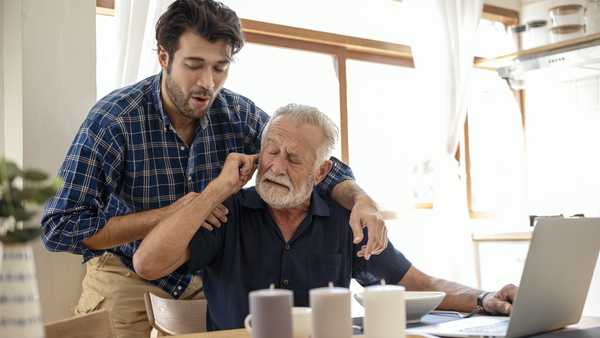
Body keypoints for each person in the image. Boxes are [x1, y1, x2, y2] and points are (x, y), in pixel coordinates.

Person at [40, 1, 388, 337]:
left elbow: (309, 164)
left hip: (201, 278)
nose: (208, 82)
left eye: (219, 67)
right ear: (164, 57)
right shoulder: (114, 120)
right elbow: (61, 225)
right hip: (125, 276)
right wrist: (173, 213)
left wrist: (362, 200)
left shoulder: (238, 114)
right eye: (194, 64)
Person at [133, 103, 519, 331]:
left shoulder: (342, 221)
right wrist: (218, 188)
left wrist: (484, 297)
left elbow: (415, 283)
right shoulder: (227, 213)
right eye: (270, 152)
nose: (276, 167)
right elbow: (147, 264)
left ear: (320, 173)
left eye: (294, 158)